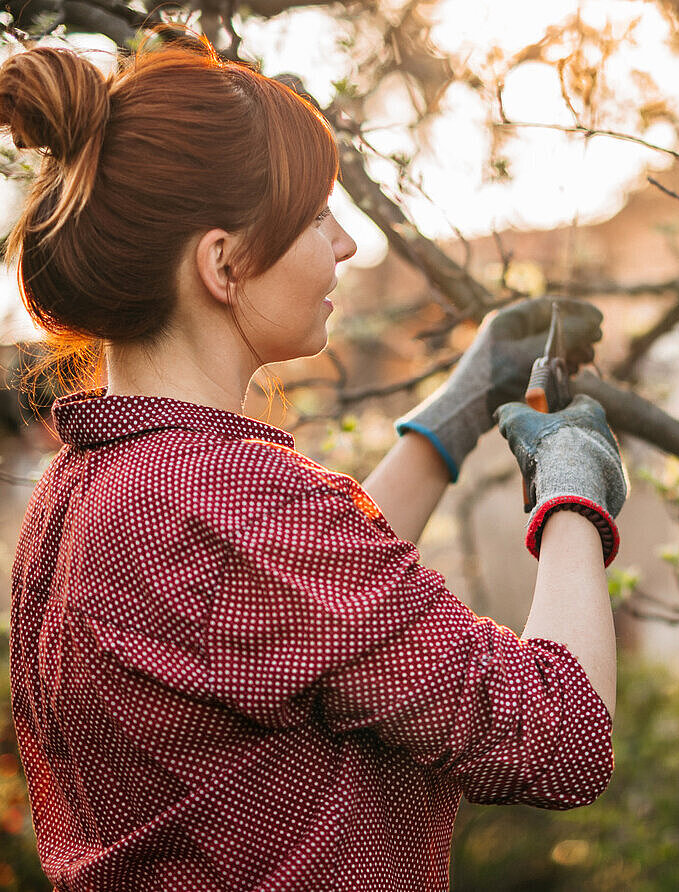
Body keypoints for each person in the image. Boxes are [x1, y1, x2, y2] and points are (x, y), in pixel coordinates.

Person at [0, 30, 626, 892]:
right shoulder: (230, 502)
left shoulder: (87, 489)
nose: (347, 246)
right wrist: (572, 492)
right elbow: (560, 738)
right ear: (223, 263)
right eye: (316, 218)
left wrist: (459, 409)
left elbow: (302, 621)